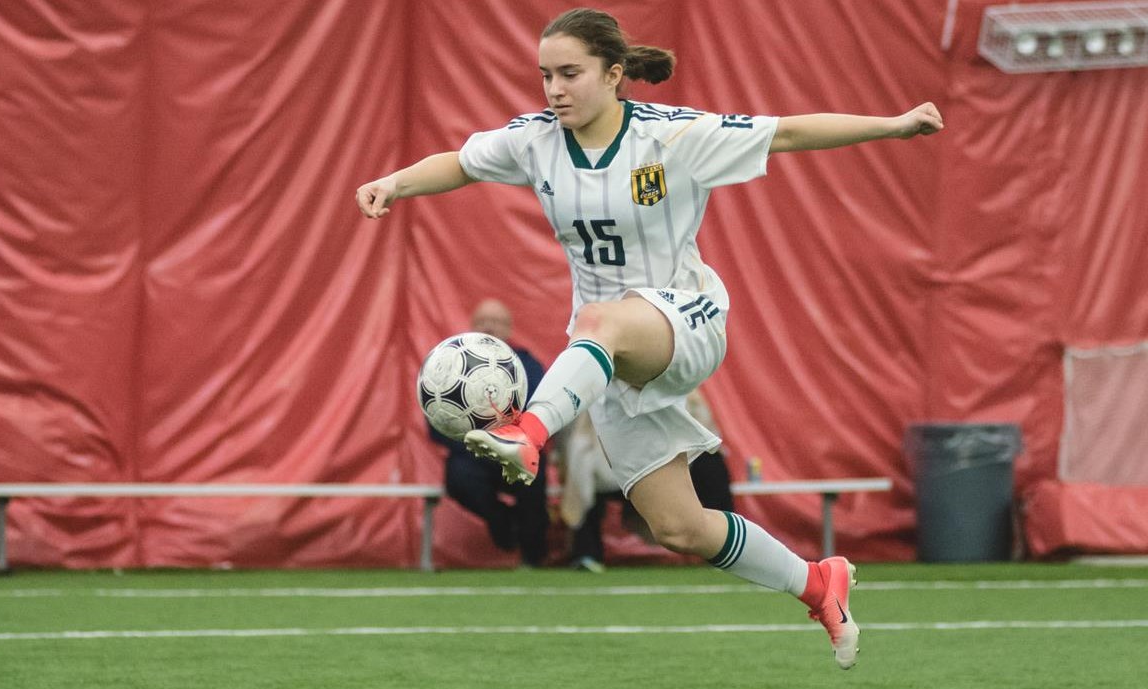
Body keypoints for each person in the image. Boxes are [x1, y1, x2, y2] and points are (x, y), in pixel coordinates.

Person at [357, 7, 943, 669]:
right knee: (679, 526)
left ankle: (529, 434)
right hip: (608, 358)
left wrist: (893, 126)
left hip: (687, 320)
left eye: (570, 73)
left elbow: (791, 133)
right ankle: (817, 582)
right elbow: (461, 163)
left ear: (613, 74)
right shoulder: (536, 141)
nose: (554, 89)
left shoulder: (675, 136)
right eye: (546, 75)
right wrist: (395, 182)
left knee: (600, 320)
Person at [429, 299, 550, 567]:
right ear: (472, 327)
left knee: (533, 478)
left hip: (516, 449)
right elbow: (437, 421)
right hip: (472, 454)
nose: (490, 327)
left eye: (496, 322)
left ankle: (534, 557)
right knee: (458, 477)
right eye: (484, 321)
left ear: (508, 329)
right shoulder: (450, 368)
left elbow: (539, 413)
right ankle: (501, 519)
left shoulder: (527, 366)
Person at [559, 390, 733, 572]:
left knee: (712, 463)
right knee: (583, 467)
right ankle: (587, 554)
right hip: (611, 466)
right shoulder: (600, 390)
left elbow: (704, 428)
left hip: (668, 463)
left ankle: (722, 547)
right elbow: (581, 436)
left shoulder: (676, 383)